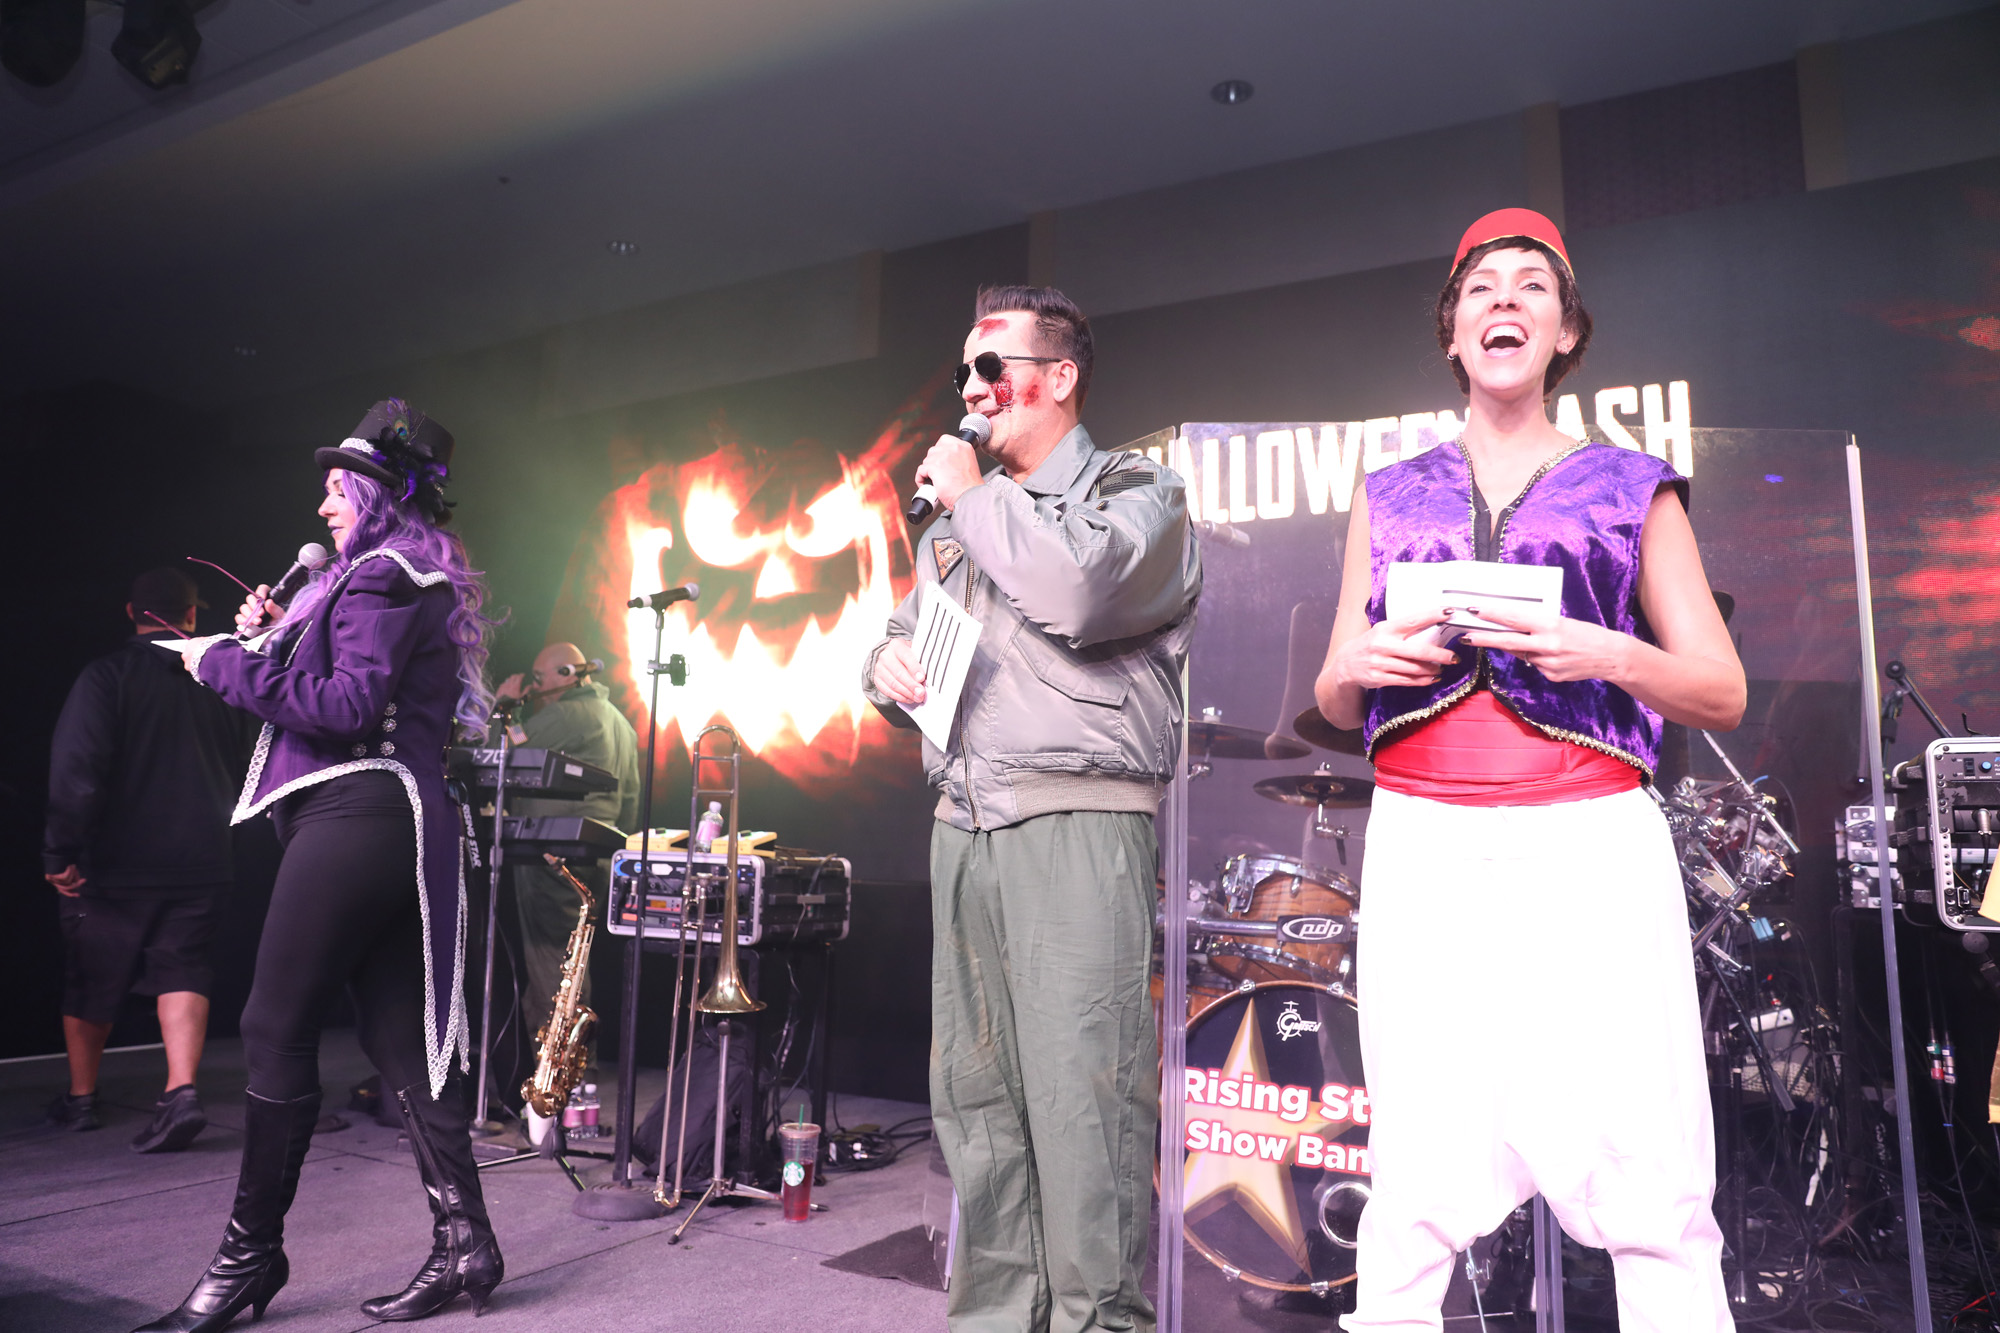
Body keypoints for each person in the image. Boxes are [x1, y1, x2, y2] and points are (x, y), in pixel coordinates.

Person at [1314, 209, 1745, 1332]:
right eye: (1480, 288)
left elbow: (1721, 689)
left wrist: (1607, 653)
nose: (1503, 300)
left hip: (1588, 837)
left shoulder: (1632, 487)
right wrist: (1355, 664)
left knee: (1641, 1152)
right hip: (1422, 837)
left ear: (1566, 331)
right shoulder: (1386, 490)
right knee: (1415, 1162)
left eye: (1531, 287)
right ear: (1452, 331)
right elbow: (1333, 694)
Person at [863, 285, 1201, 1333]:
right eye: (963, 371)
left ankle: (1097, 1322)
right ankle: (998, 1318)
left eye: (990, 368)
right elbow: (910, 635)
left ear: (1058, 378)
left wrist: (971, 500)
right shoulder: (963, 527)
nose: (970, 389)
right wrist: (882, 665)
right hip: (963, 823)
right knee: (978, 1100)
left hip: (1074, 819)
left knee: (1083, 1099)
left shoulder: (1137, 490)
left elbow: (1082, 592)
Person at [138, 400, 503, 1332]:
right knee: (398, 1037)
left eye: (339, 489)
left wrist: (221, 662)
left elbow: (344, 707)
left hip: (361, 811)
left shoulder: (382, 575)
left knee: (272, 1026)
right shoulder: (386, 577)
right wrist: (275, 633)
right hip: (389, 816)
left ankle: (248, 1257)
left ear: (379, 497)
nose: (323, 505)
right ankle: (465, 1240)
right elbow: (335, 683)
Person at [42, 566, 247, 1151]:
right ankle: (180, 1091)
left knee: (92, 973)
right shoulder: (220, 680)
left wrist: (60, 850)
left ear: (132, 614)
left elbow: (77, 770)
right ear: (191, 616)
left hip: (115, 861)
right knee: (183, 968)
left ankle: (81, 1099)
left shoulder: (106, 677)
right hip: (203, 856)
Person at [492, 642, 640, 1075]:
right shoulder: (620, 723)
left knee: (552, 965)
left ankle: (560, 1075)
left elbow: (507, 751)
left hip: (552, 856)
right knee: (570, 963)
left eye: (540, 679)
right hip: (594, 857)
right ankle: (567, 1069)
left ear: (567, 674)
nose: (537, 688)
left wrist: (505, 709)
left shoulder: (569, 714)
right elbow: (630, 802)